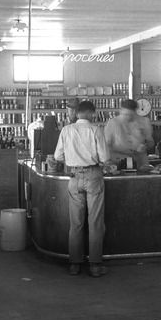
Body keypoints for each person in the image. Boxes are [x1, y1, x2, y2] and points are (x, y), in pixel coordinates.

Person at [53, 101, 111, 277]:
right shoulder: (96, 130)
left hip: (74, 177)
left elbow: (58, 156)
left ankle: (75, 265)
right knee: (95, 223)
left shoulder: (66, 130)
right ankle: (95, 266)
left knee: (76, 223)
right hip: (93, 176)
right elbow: (105, 157)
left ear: (77, 113)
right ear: (92, 113)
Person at [104, 99, 154, 171]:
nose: (128, 117)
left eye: (131, 115)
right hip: (118, 161)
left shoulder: (145, 122)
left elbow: (151, 142)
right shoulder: (112, 123)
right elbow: (106, 145)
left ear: (135, 112)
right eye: (125, 114)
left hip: (140, 161)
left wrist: (145, 146)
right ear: (121, 111)